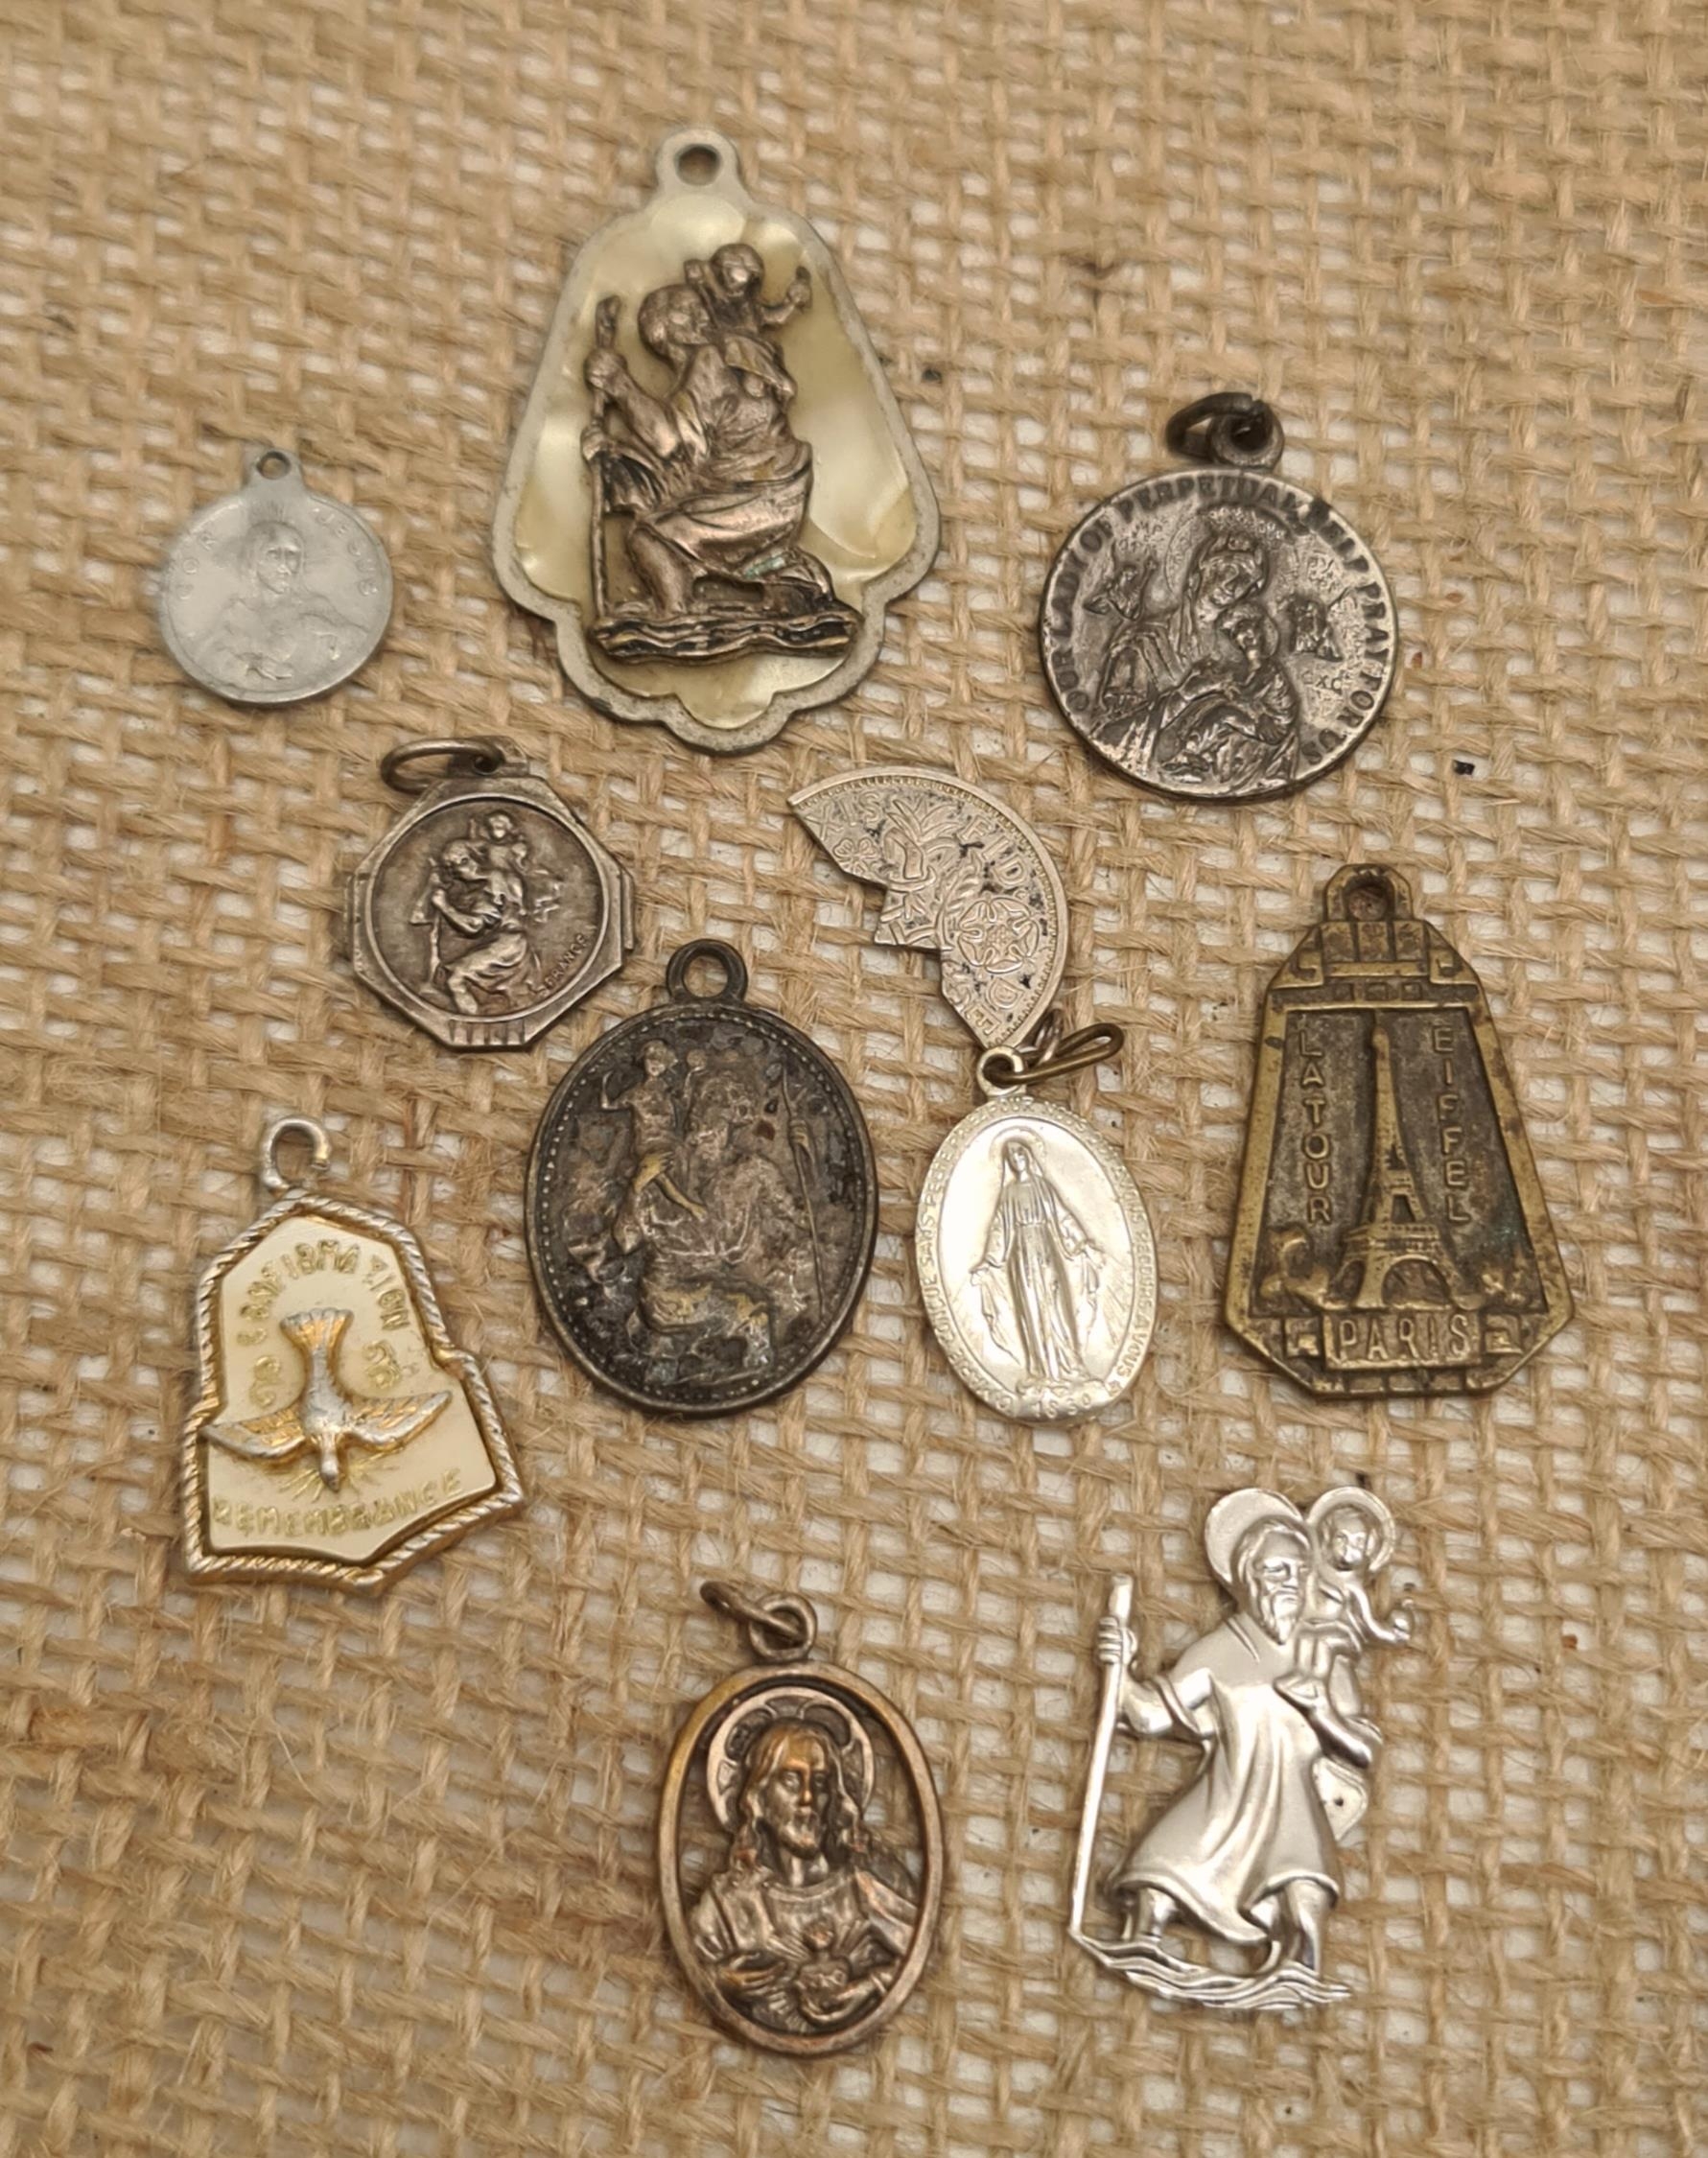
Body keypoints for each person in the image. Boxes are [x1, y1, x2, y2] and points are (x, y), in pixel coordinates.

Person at [1098, 1502, 1374, 1979]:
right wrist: (1120, 1670)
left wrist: (1322, 1714)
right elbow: (1149, 1717)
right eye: (1276, 1570)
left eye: (1300, 1570)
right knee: (1163, 1865)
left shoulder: (1323, 1652)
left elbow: (1365, 1750)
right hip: (1227, 1790)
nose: (1291, 1582)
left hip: (1294, 1799)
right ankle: (1143, 1940)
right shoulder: (1218, 1650)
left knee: (1301, 1882)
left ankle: (1301, 1964)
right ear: (1248, 1577)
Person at [581, 278, 855, 655]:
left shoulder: (709, 361)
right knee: (726, 543)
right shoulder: (732, 356)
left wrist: (620, 384)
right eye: (683, 310)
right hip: (774, 489)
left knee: (650, 537)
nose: (698, 316)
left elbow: (669, 443)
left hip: (754, 491)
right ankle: (795, 585)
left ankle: (675, 616)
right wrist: (610, 447)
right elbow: (688, 457)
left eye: (697, 307)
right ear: (660, 329)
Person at [689, 1716, 917, 2035]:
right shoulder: (730, 1902)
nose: (808, 1798)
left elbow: (922, 1949)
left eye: (821, 1783)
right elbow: (688, 1966)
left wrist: (870, 1986)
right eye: (791, 1780)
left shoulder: (864, 1887)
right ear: (760, 1796)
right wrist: (718, 1980)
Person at [1086, 526, 1273, 768]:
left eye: (1246, 579)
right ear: (1200, 570)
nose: (1233, 584)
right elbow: (1110, 734)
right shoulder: (1141, 642)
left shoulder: (1239, 655)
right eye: (1229, 569)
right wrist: (1186, 694)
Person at [973, 1138, 1101, 1385]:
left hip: (1045, 1249)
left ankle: (1069, 1363)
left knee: (1055, 1305)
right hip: (1021, 1255)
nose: (1017, 1160)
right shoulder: (1008, 1193)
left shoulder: (1043, 1187)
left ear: (1028, 1156)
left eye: (1020, 1155)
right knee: (1030, 1307)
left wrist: (1083, 1241)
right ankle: (1041, 1368)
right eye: (1012, 1158)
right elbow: (999, 1228)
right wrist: (988, 1261)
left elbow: (1063, 1216)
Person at [1151, 598, 1300, 793]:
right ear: (1235, 641)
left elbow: (1247, 695)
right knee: (1213, 706)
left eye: (1249, 628)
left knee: (1223, 713)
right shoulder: (1245, 670)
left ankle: (1189, 750)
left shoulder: (1269, 669)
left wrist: (1219, 686)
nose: (1246, 635)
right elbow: (1239, 690)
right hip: (1259, 718)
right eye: (1239, 631)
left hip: (1272, 726)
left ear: (1261, 632)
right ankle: (1190, 753)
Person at [203, 518, 357, 691]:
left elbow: (356, 641)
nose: (284, 565)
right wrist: (252, 662)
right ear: (253, 560)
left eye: (292, 554)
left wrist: (334, 633)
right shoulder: (236, 614)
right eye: (273, 554)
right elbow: (209, 660)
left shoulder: (316, 607)